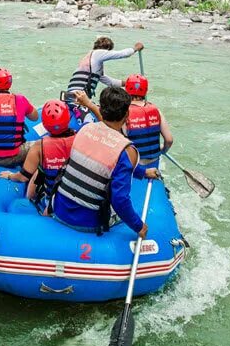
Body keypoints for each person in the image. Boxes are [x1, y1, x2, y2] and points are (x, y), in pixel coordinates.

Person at [52, 86, 158, 238]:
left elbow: (103, 157)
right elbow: (120, 200)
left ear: (101, 110)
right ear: (127, 114)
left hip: (60, 209)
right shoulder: (127, 150)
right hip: (88, 223)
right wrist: (138, 226)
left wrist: (142, 172)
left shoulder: (84, 129)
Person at [0, 100, 75, 213]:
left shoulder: (39, 146)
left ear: (44, 124)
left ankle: (29, 200)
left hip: (51, 200)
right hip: (74, 199)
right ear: (68, 119)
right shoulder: (80, 139)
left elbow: (23, 177)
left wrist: (10, 176)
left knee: (39, 170)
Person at [65, 36, 144, 121]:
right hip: (78, 101)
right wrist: (136, 48)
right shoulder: (97, 53)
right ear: (107, 49)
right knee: (105, 121)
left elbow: (109, 82)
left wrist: (127, 83)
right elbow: (122, 54)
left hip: (70, 98)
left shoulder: (91, 61)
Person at [123, 74, 172, 167]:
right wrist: (162, 151)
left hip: (134, 164)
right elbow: (169, 140)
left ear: (126, 91)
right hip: (154, 162)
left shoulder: (124, 112)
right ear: (145, 91)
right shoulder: (156, 110)